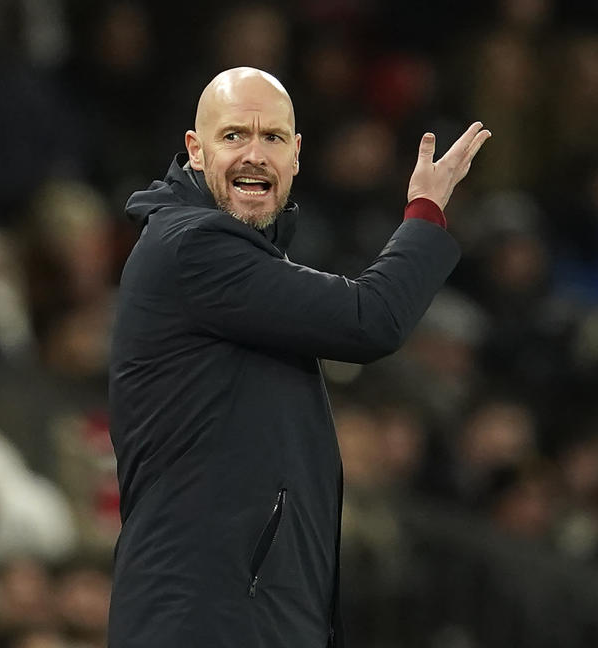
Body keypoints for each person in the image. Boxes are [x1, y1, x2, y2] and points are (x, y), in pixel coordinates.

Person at [108, 67, 490, 648]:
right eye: (234, 135)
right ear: (195, 149)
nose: (254, 155)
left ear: (296, 154)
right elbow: (370, 319)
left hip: (240, 611)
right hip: (207, 614)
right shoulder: (194, 246)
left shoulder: (233, 258)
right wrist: (426, 210)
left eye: (272, 138)